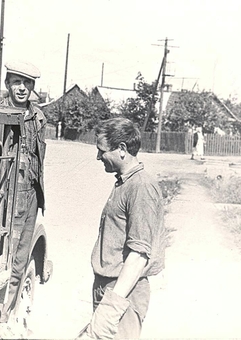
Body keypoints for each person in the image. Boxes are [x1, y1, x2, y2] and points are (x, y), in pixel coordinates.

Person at [83, 118, 166, 339]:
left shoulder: (141, 187)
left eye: (102, 150)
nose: (98, 157)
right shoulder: (125, 182)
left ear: (121, 149)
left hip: (123, 293)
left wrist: (111, 308)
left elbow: (139, 254)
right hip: (110, 288)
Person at [0, 60, 46, 338]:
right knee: (5, 258)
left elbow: (39, 160)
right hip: (7, 200)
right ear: (7, 84)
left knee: (21, 259)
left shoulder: (38, 117)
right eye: (17, 82)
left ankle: (10, 315)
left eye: (27, 83)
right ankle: (0, 316)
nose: (22, 88)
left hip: (31, 197)